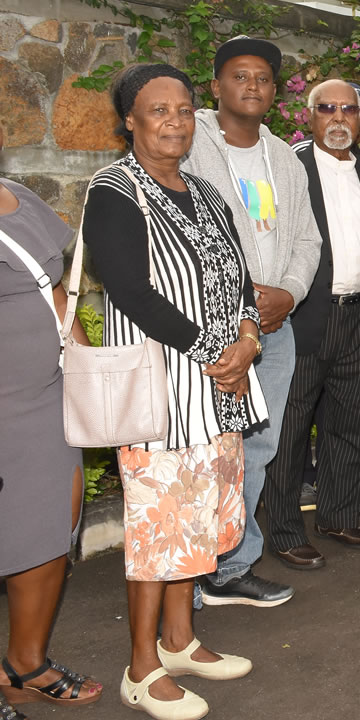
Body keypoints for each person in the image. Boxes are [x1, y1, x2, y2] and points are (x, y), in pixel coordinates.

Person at [84, 63, 266, 720]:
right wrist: (219, 351)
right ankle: (141, 667)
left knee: (196, 523)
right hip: (160, 394)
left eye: (185, 109)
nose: (175, 121)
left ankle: (181, 641)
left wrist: (247, 338)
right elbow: (132, 291)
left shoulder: (208, 192)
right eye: (158, 110)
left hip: (219, 391)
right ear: (129, 121)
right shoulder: (113, 190)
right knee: (158, 531)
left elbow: (242, 278)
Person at [181, 35, 321, 609]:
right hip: (208, 330)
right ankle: (184, 573)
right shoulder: (187, 148)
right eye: (239, 76)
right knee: (203, 450)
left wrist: (288, 292)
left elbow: (307, 240)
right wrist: (239, 300)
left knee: (257, 450)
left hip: (274, 330)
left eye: (263, 77)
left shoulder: (284, 157)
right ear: (215, 87)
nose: (252, 86)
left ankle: (232, 565)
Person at [264, 79, 360, 570]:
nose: (339, 118)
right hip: (303, 321)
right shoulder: (289, 171)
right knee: (289, 431)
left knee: (352, 425)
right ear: (310, 116)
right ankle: (283, 531)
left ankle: (339, 515)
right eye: (328, 108)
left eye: (350, 110)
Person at [0, 122, 104, 718]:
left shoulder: (21, 197)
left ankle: (26, 663)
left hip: (47, 396)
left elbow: (58, 288)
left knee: (46, 530)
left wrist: (82, 356)